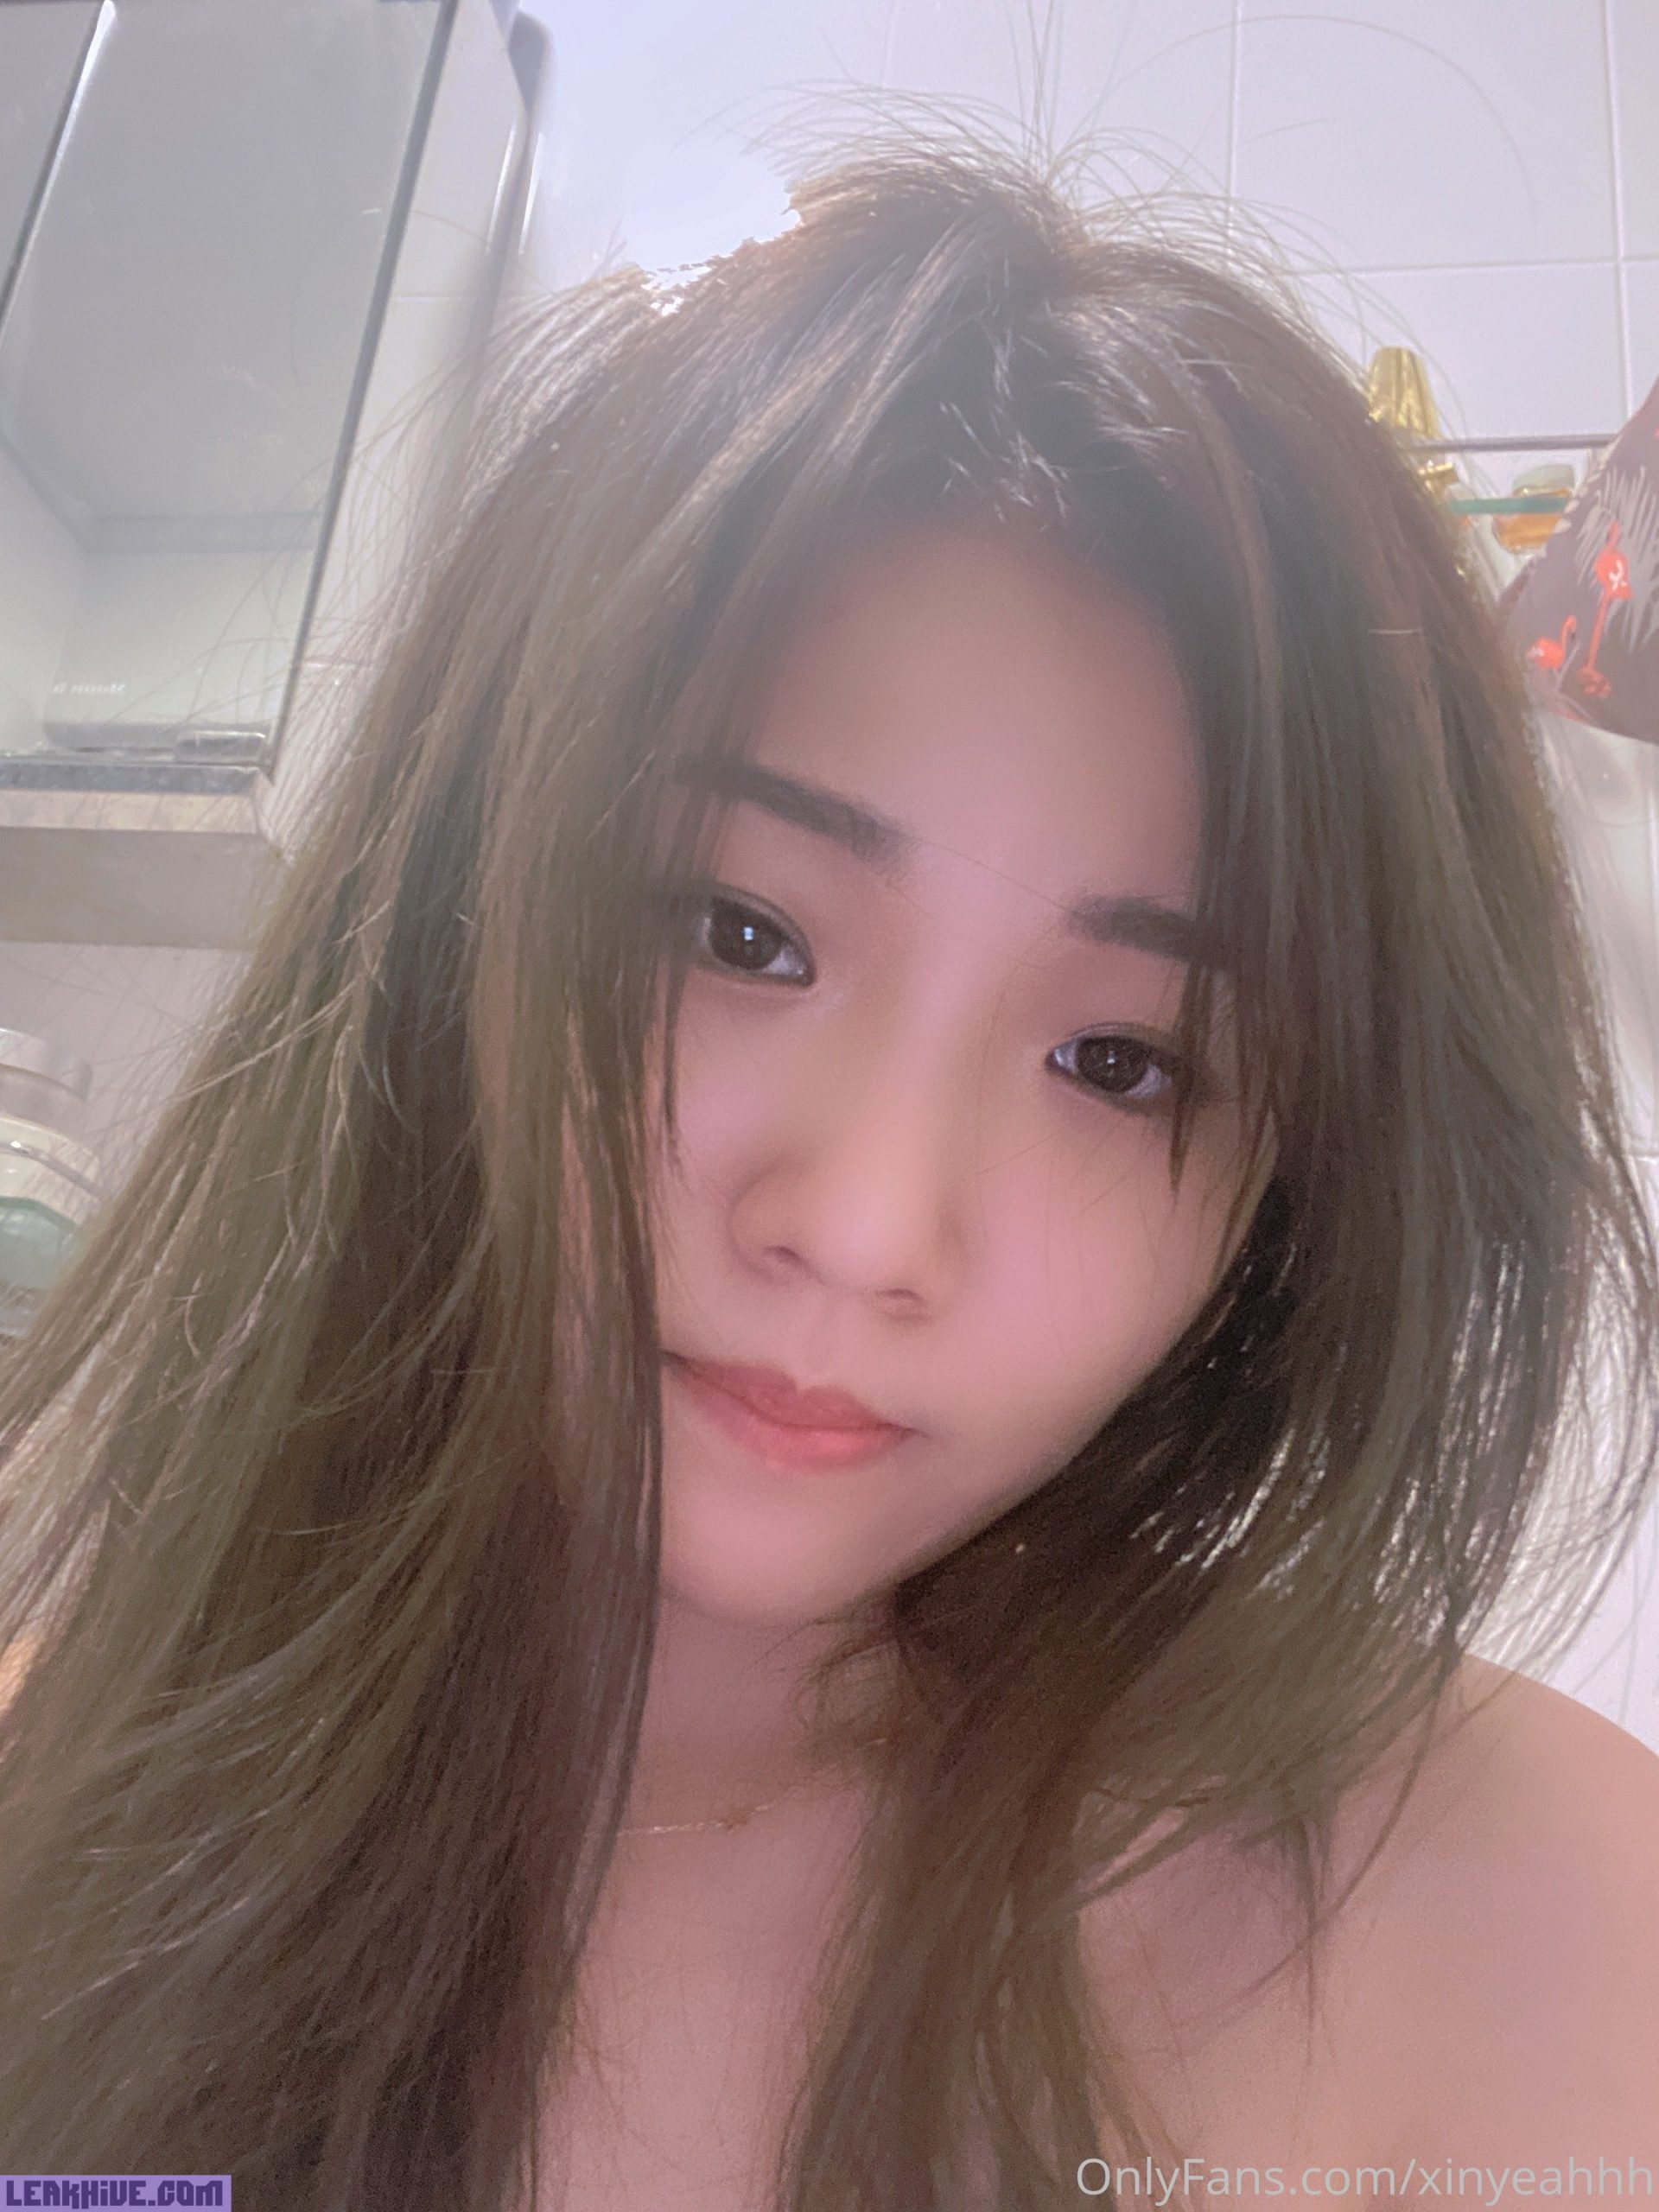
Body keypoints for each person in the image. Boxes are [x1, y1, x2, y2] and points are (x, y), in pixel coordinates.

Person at [0, 128, 1656, 2212]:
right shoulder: (72, 1791)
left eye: (1121, 1061)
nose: (867, 1224)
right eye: (741, 932)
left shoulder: (1522, 1927)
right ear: (455, 915)